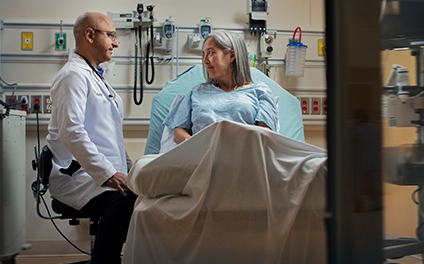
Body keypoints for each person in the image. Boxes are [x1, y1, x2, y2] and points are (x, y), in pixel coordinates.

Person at [46, 12, 136, 264]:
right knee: (124, 201)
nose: (116, 43)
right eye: (110, 35)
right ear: (89, 35)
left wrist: (130, 169)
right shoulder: (72, 76)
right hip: (78, 177)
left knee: (144, 196)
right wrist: (107, 173)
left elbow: (111, 138)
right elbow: (72, 131)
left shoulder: (95, 76)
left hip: (99, 173)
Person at [163, 30, 279, 144]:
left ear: (232, 55)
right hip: (202, 157)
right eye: (204, 54)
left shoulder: (260, 92)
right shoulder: (196, 93)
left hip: (243, 157)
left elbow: (264, 135)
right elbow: (179, 132)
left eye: (211, 53)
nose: (205, 61)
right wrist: (194, 145)